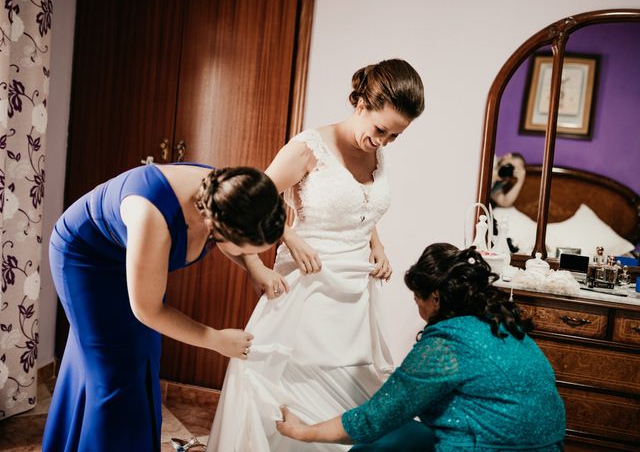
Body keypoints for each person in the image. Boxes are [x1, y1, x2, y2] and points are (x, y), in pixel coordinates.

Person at [207, 59, 425, 451]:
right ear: (361, 103)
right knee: (289, 383)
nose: (383, 142)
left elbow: (359, 203)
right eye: (380, 130)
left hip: (355, 292)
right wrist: (287, 235)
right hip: (306, 286)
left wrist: (376, 241)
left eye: (395, 136)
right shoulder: (309, 148)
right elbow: (252, 202)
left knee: (352, 385)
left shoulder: (377, 153)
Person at [42, 163, 286, 451]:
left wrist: (255, 267)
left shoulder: (230, 193)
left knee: (142, 356)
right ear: (220, 228)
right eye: (246, 248)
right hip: (86, 259)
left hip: (133, 254)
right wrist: (216, 339)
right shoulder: (154, 216)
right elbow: (148, 311)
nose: (249, 255)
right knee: (113, 373)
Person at [276, 243, 566, 451]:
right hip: (548, 445)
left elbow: (372, 419)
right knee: (404, 433)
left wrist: (304, 432)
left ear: (436, 298)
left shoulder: (446, 345)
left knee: (370, 446)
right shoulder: (501, 325)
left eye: (418, 300)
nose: (417, 307)